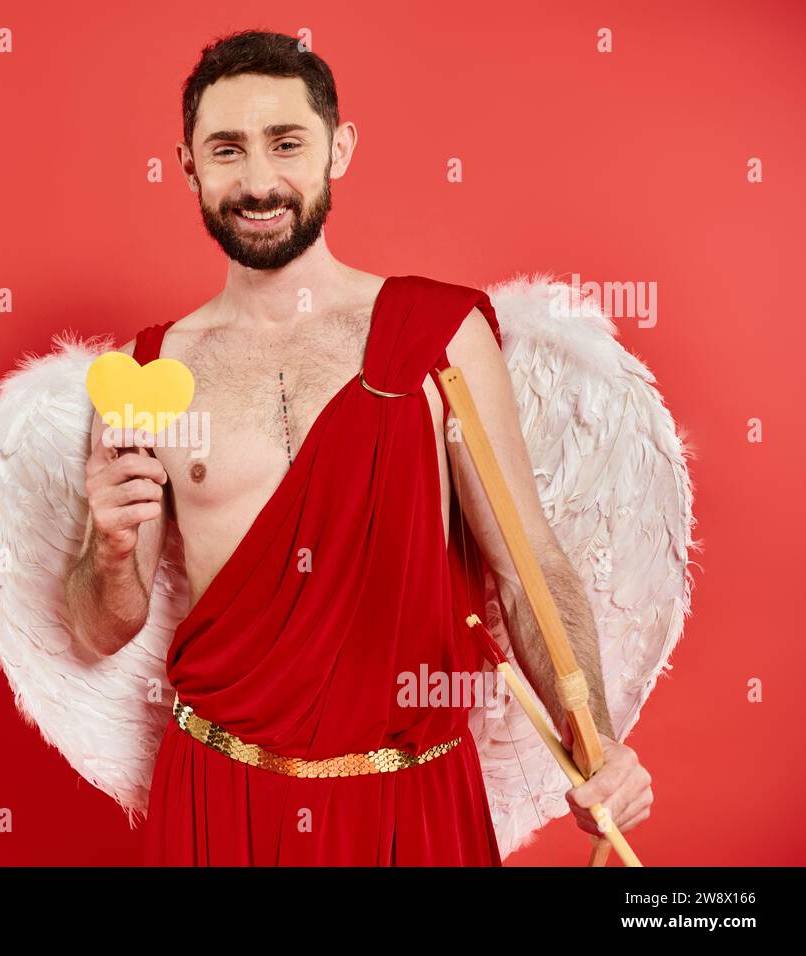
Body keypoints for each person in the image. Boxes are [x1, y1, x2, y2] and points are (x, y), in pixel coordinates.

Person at [63, 30, 653, 865]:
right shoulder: (144, 374)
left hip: (409, 799)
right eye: (227, 150)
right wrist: (111, 549)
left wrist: (597, 742)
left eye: (287, 143)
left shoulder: (441, 337)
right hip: (222, 797)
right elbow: (98, 630)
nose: (259, 181)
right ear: (188, 167)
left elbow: (530, 573)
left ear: (338, 149)